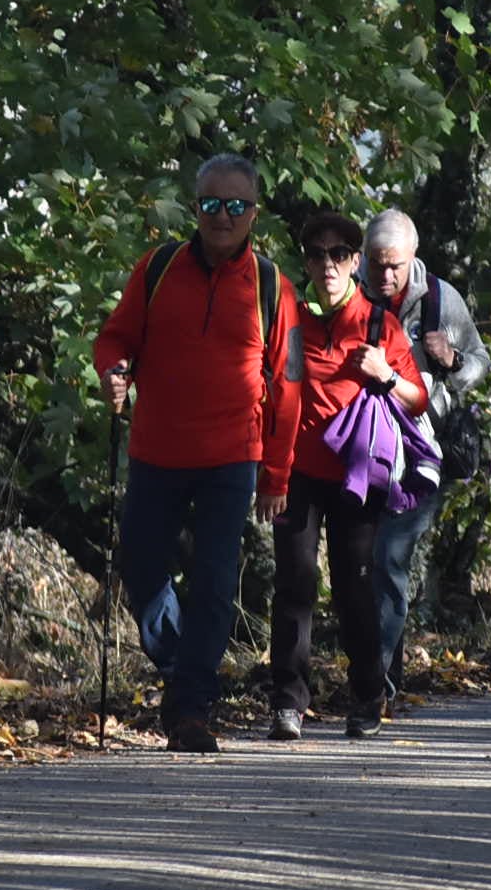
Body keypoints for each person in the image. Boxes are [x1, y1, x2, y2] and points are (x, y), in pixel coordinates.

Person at [93, 153, 301, 753]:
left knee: (213, 582)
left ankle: (191, 710)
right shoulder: (157, 269)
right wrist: (113, 370)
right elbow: (114, 337)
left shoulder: (271, 286)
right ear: (196, 206)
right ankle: (178, 657)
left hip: (232, 458)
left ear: (254, 213)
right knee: (139, 566)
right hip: (156, 449)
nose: (223, 216)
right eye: (212, 203)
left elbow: (287, 386)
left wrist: (276, 474)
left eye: (236, 205)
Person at [268, 211, 429, 740]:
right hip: (297, 475)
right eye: (318, 254)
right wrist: (270, 472)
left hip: (358, 477)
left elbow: (419, 398)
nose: (329, 264)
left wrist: (386, 374)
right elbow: (272, 392)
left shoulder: (380, 324)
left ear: (355, 262)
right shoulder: (291, 321)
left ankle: (367, 697)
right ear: (307, 262)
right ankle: (288, 703)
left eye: (340, 254)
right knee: (294, 585)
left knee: (355, 590)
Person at [362, 210, 488, 688]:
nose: (386, 275)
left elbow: (480, 362)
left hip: (421, 452)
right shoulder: (347, 292)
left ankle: (378, 682)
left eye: (395, 264)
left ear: (413, 258)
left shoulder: (440, 298)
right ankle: (378, 675)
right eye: (377, 264)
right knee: (364, 564)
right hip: (359, 448)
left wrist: (451, 359)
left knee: (391, 556)